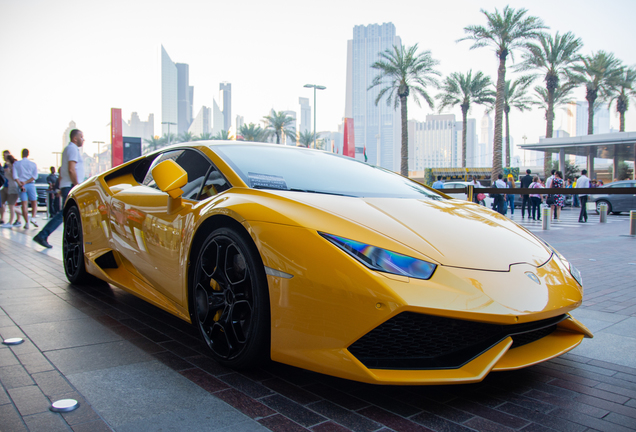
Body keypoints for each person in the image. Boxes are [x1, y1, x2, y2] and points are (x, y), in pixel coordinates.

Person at [33, 129, 85, 248]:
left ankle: (72, 242)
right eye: (81, 137)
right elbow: (71, 169)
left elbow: (62, 169)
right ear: (75, 138)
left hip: (67, 185)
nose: (83, 139)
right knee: (67, 213)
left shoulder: (68, 149)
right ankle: (43, 235)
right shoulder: (72, 149)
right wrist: (77, 186)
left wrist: (61, 185)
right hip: (71, 185)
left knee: (69, 214)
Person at [12, 148, 38, 229]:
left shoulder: (16, 164)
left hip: (21, 185)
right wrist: (26, 182)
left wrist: (21, 184)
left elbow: (15, 176)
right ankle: (33, 217)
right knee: (34, 202)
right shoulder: (33, 164)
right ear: (28, 154)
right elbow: (34, 176)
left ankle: (26, 222)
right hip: (30, 184)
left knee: (24, 204)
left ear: (21, 154)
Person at [1, 154, 20, 228]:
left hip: (13, 188)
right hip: (8, 187)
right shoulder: (6, 167)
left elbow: (14, 177)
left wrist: (8, 171)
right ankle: (25, 214)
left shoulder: (13, 167)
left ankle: (10, 222)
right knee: (10, 206)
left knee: (11, 206)